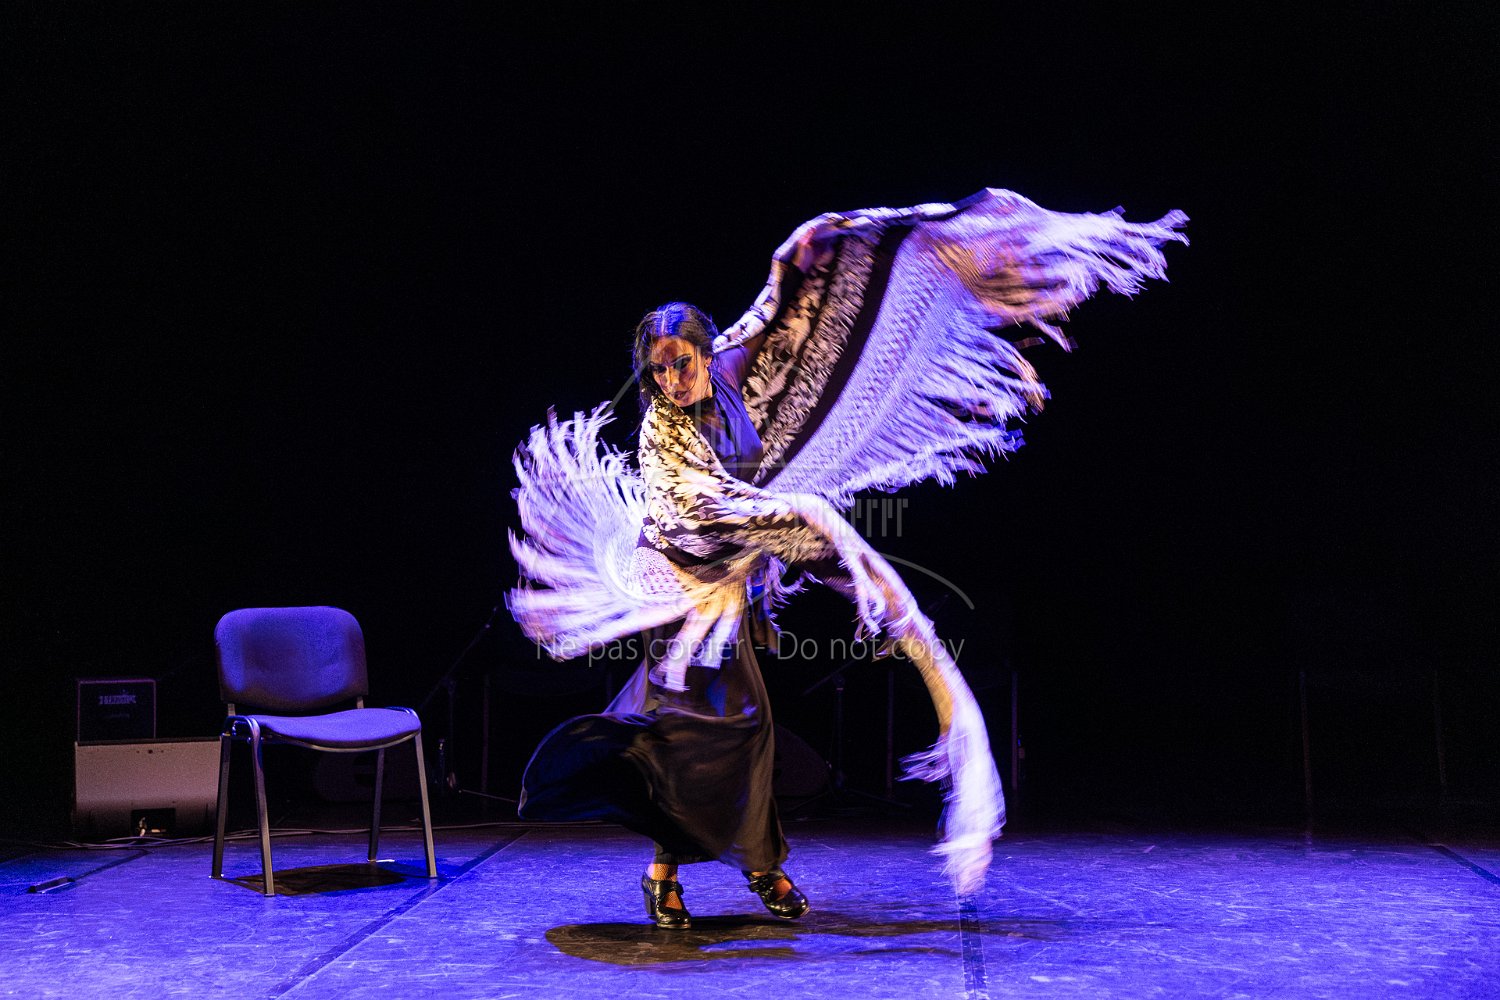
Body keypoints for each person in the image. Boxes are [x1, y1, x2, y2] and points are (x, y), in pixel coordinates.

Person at [510, 189, 1187, 928]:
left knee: (725, 731)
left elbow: (781, 309)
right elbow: (709, 508)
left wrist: (819, 246)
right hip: (681, 591)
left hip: (732, 583)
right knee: (710, 732)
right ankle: (727, 870)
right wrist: (809, 523)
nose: (671, 382)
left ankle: (719, 867)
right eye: (658, 372)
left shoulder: (732, 371)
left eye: (681, 364)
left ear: (705, 353)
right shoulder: (661, 433)